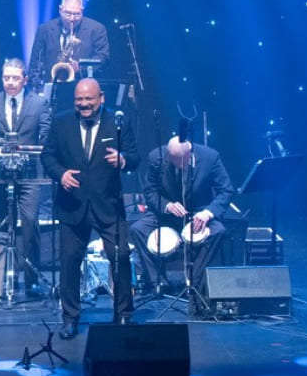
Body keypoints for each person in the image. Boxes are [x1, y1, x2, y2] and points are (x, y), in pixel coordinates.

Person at [40, 78, 136, 339]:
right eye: (78, 100)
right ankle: (70, 318)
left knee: (121, 258)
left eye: (88, 99)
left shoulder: (117, 122)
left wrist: (123, 159)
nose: (83, 104)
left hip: (109, 205)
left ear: (101, 98)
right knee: (70, 262)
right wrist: (60, 175)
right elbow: (47, 156)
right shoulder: (61, 122)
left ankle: (123, 314)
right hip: (73, 205)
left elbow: (135, 157)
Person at [0, 59, 51, 296]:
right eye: (6, 77)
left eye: (15, 78)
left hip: (29, 174)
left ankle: (32, 278)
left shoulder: (39, 104)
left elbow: (46, 137)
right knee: (5, 224)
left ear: (25, 80)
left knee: (30, 223)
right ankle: (3, 280)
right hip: (0, 173)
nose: (10, 82)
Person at [129, 135, 235, 296]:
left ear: (190, 154)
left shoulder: (210, 157)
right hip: (167, 214)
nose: (175, 164)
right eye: (171, 159)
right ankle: (158, 282)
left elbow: (226, 191)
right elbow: (150, 191)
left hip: (198, 213)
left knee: (218, 231)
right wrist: (166, 205)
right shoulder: (156, 157)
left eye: (179, 160)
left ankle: (193, 282)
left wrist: (207, 213)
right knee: (138, 229)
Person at [29, 0, 110, 85]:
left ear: (82, 10)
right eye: (68, 13)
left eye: (76, 14)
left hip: (83, 86)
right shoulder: (44, 29)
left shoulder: (97, 29)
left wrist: (80, 69)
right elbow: (35, 63)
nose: (72, 19)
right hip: (51, 85)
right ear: (60, 9)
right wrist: (37, 87)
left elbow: (102, 59)